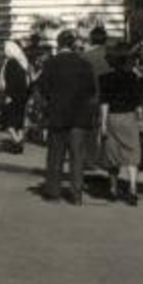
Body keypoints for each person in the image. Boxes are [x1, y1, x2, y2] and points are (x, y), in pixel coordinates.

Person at [37, 30, 99, 205]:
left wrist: (48, 106)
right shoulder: (84, 64)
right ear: (73, 45)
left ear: (58, 43)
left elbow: (41, 88)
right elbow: (91, 91)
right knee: (77, 156)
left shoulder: (51, 64)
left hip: (57, 116)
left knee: (55, 154)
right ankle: (77, 193)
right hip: (79, 118)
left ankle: (54, 192)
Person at [97, 45, 143, 204]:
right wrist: (141, 121)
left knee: (112, 154)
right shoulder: (132, 77)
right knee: (132, 154)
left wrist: (103, 125)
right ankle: (132, 189)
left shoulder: (104, 78)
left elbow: (104, 104)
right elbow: (138, 103)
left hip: (112, 118)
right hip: (129, 118)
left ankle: (113, 188)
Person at [0, 40, 32, 154]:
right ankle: (18, 141)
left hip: (12, 95)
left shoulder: (11, 63)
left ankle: (17, 142)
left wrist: (8, 95)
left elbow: (11, 81)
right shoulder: (22, 62)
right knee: (19, 121)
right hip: (23, 95)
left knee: (8, 121)